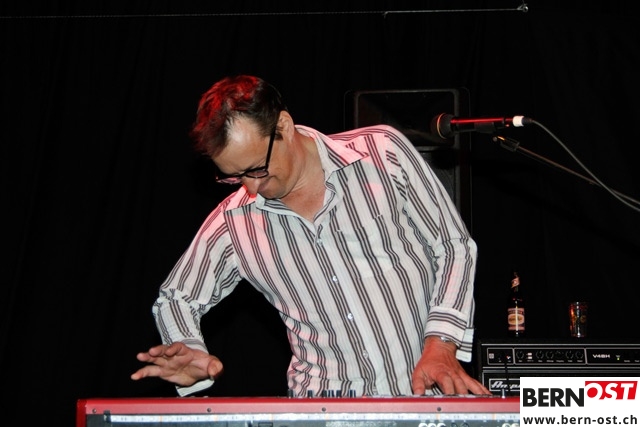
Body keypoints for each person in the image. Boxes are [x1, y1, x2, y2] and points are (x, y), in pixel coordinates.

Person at [131, 74, 490, 397]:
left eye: (257, 168)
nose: (251, 187)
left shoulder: (382, 153)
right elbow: (176, 297)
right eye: (234, 176)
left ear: (284, 126)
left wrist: (442, 343)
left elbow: (452, 245)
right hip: (325, 409)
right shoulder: (234, 221)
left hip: (428, 398)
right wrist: (188, 347)